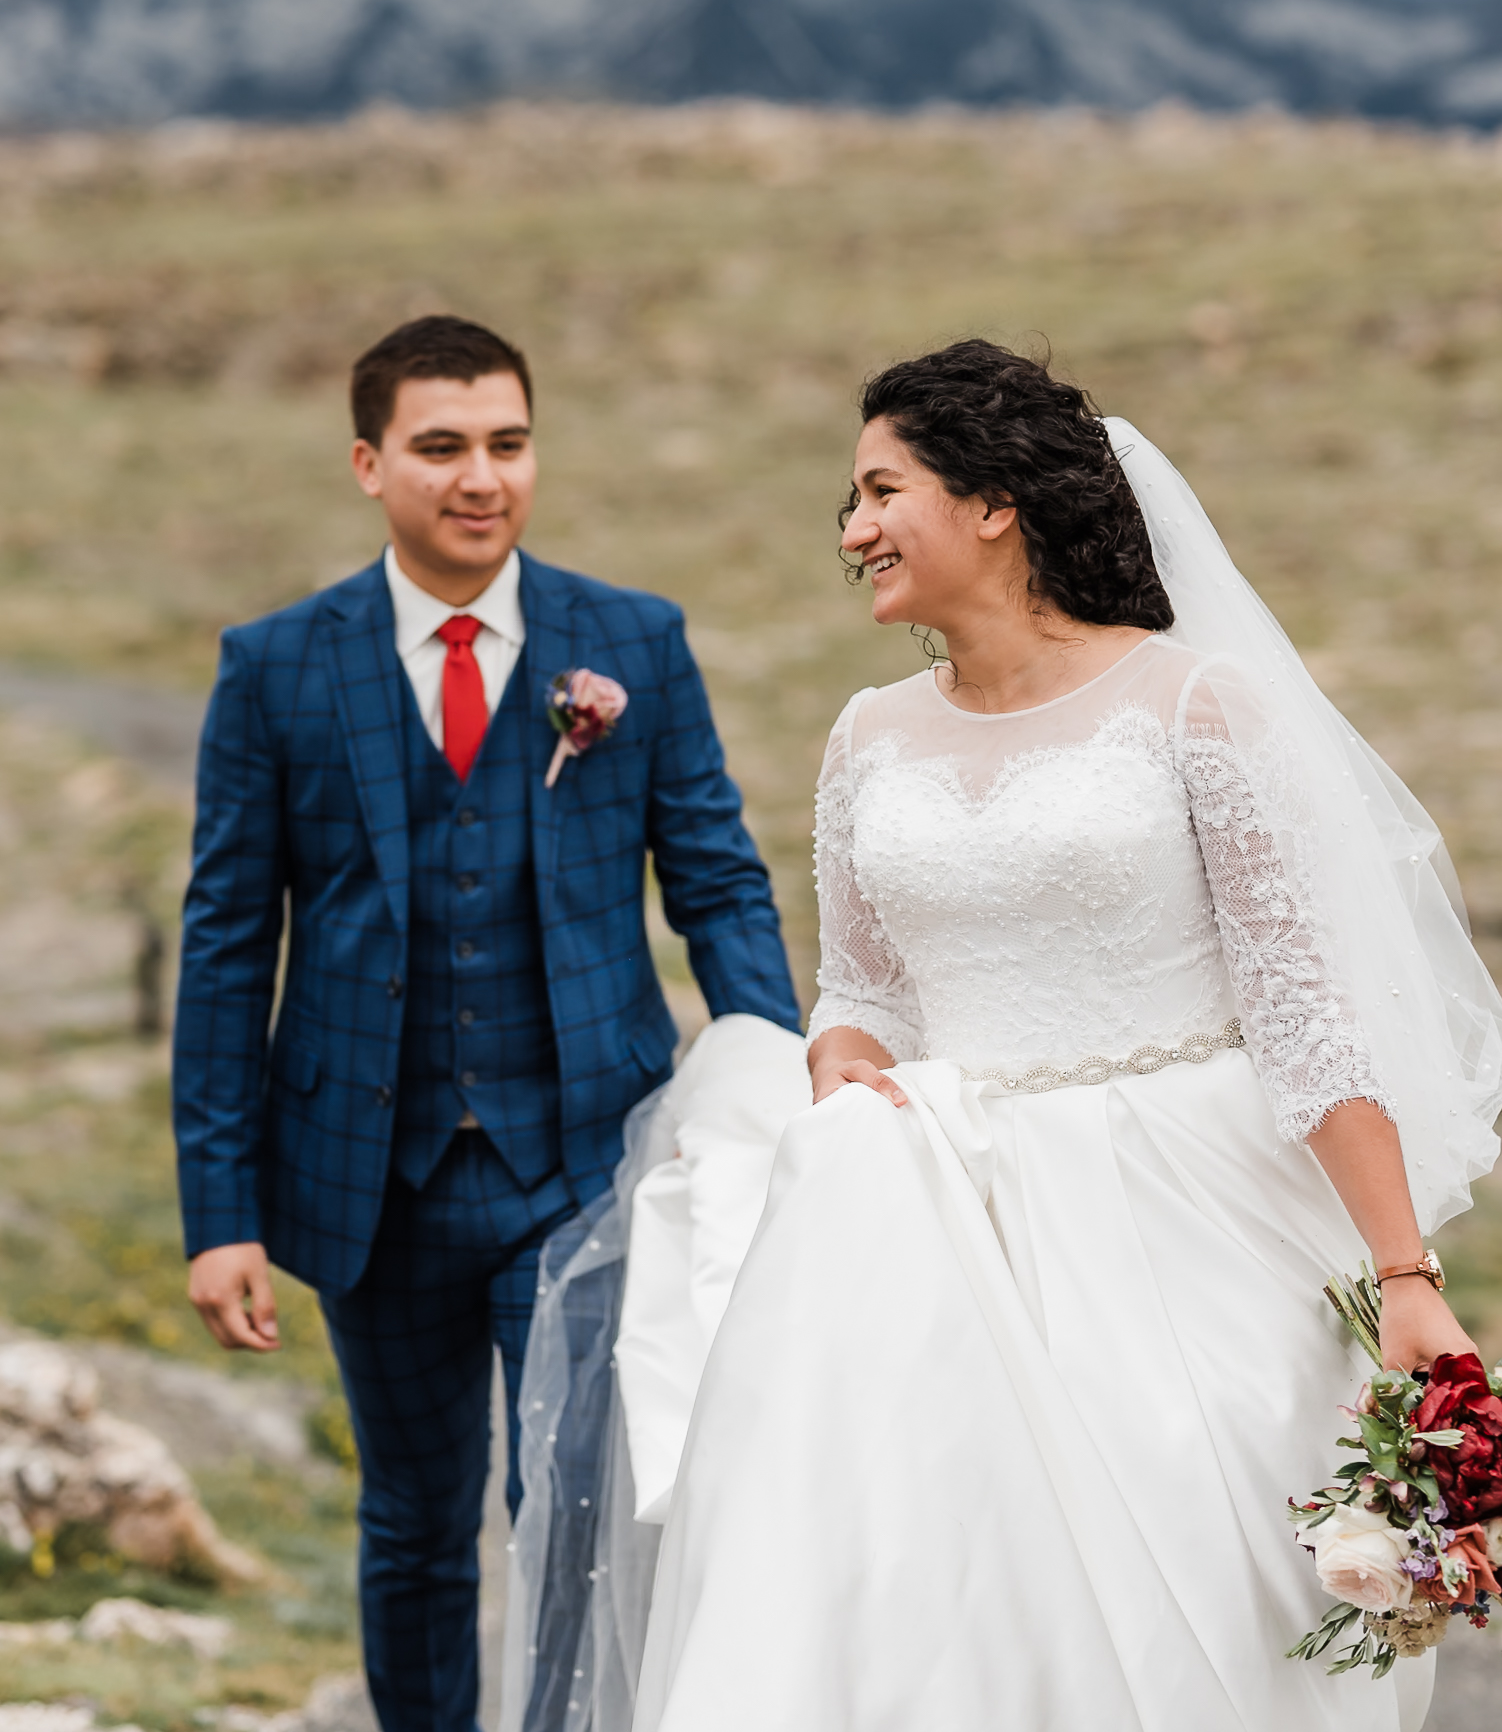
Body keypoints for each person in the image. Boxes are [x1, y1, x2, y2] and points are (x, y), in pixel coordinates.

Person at [513, 340, 1502, 1732]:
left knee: (1200, 1609)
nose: (850, 530)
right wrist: (841, 1061)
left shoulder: (1189, 704)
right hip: (942, 1226)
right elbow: (859, 991)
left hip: (1188, 1211)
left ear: (993, 504)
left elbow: (1305, 1018)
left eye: (879, 490)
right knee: (934, 1608)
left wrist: (1403, 1276)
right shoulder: (866, 738)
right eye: (846, 501)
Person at [170, 314, 799, 1732]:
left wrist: (774, 1090)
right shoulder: (274, 666)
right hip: (363, 1182)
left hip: (578, 1165)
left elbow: (717, 885)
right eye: (440, 446)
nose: (480, 477)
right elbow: (225, 947)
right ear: (368, 463)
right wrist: (221, 1210)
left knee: (570, 1503)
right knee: (412, 1519)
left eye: (506, 444)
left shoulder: (630, 642)